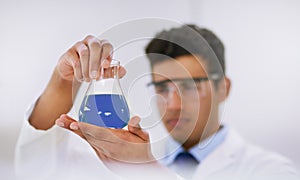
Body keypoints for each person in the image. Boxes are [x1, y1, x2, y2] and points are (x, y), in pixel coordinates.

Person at [15, 25, 299, 180]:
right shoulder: (117, 160)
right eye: (162, 88)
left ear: (223, 89)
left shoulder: (269, 170)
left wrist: (147, 171)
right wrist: (62, 81)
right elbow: (36, 170)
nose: (172, 104)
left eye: (189, 87)